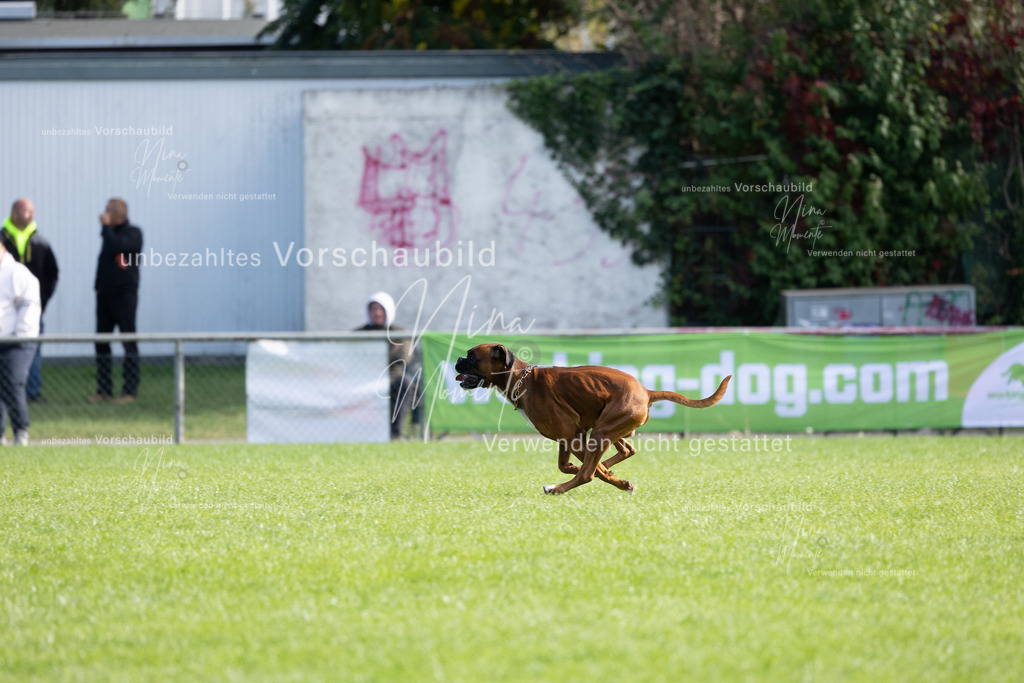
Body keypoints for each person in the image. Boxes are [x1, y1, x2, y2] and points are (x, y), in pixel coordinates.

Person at [2, 198, 59, 403]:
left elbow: (52, 273)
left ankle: (32, 392)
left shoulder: (40, 242)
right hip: (5, 309)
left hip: (33, 309)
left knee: (32, 349)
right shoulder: (3, 240)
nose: (31, 216)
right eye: (27, 211)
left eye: (32, 211)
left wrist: (41, 301)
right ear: (15, 213)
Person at [89, 198, 143, 404]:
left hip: (124, 296)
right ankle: (104, 389)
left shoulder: (133, 233)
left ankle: (129, 391)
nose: (103, 214)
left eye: (107, 211)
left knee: (128, 341)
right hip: (105, 295)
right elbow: (103, 261)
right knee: (102, 342)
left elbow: (118, 246)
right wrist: (97, 285)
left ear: (117, 214)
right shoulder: (108, 235)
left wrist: (104, 228)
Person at [354, 291, 423, 439]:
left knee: (405, 383)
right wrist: (389, 353)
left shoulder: (399, 332)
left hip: (391, 381)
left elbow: (404, 357)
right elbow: (351, 358)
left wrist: (370, 355)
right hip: (362, 380)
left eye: (381, 309)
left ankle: (394, 434)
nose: (377, 313)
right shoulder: (358, 333)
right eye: (373, 309)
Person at [0, 239, 41, 445]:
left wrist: (20, 333)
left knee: (13, 383)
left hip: (19, 340)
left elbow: (29, 307)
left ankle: (20, 431)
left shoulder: (18, 273)